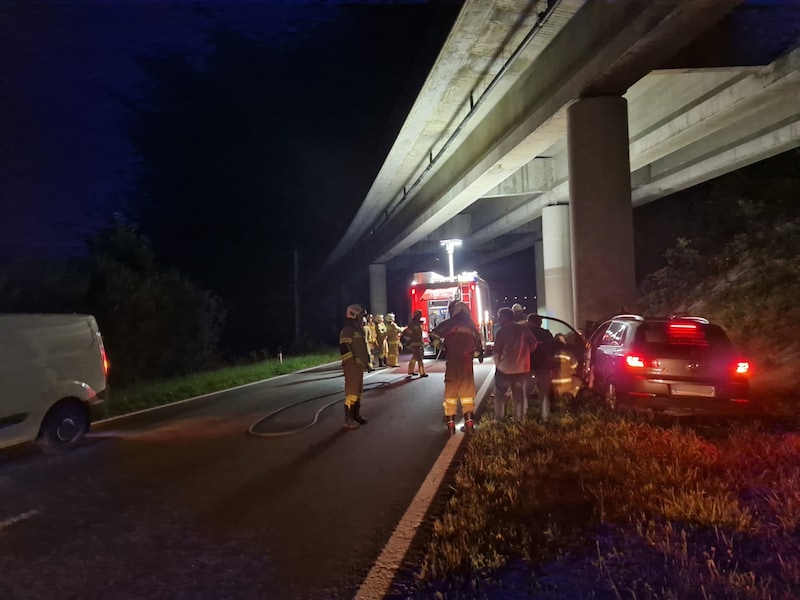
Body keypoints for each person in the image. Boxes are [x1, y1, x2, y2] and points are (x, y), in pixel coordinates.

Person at [429, 301, 484, 434]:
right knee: (467, 396)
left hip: (452, 365)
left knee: (450, 395)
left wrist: (442, 347)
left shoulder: (449, 324)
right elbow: (478, 349)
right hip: (467, 365)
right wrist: (475, 354)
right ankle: (469, 423)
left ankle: (450, 424)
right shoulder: (471, 326)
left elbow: (433, 335)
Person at [493, 307, 538, 421]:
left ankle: (499, 419)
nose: (499, 320)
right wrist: (526, 354)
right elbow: (534, 343)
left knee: (500, 395)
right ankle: (518, 418)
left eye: (500, 317)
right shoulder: (524, 329)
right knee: (518, 396)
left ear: (505, 317)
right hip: (522, 369)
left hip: (505, 369)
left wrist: (498, 365)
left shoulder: (501, 332)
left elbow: (497, 351)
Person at [339, 303, 371, 429]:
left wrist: (367, 363)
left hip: (359, 366)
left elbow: (363, 348)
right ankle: (348, 419)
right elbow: (344, 348)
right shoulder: (348, 330)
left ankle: (356, 415)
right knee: (351, 393)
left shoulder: (358, 330)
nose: (362, 318)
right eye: (361, 315)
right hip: (352, 366)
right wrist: (352, 362)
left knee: (358, 393)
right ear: (354, 315)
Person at [527, 313, 555, 422]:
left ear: (532, 322)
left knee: (525, 394)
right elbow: (553, 349)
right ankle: (545, 417)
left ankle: (523, 417)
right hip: (545, 368)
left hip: (530, 368)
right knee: (544, 394)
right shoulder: (547, 334)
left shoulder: (528, 334)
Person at [552, 333, 580, 397]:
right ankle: (572, 394)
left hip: (552, 387)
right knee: (578, 381)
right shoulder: (568, 353)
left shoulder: (551, 354)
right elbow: (575, 365)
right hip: (566, 386)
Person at [405, 309, 428, 377]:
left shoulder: (419, 323)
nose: (420, 316)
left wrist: (423, 342)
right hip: (414, 344)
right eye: (419, 315)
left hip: (419, 343)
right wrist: (408, 342)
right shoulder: (412, 324)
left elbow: (420, 334)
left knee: (415, 358)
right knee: (419, 358)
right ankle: (422, 372)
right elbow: (409, 334)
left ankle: (410, 371)